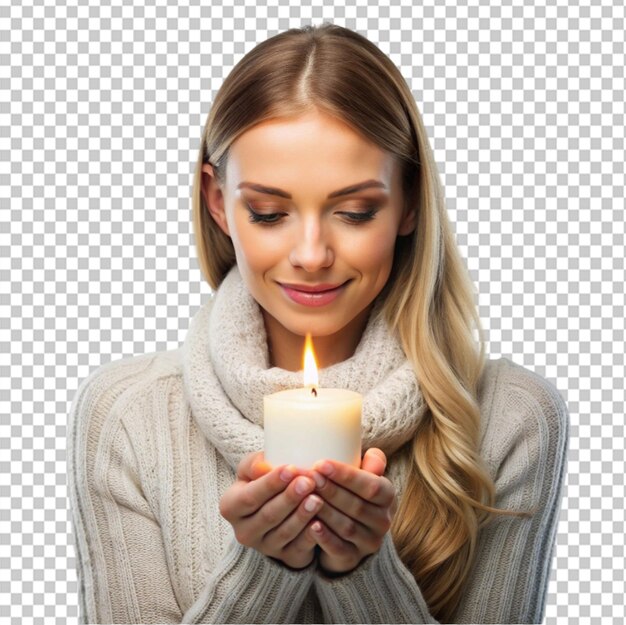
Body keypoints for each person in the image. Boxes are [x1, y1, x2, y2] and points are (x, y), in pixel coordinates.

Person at [67, 22, 569, 624]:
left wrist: (361, 574)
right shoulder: (126, 417)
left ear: (409, 202)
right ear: (219, 203)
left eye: (354, 212)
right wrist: (263, 572)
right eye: (270, 212)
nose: (311, 254)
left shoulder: (510, 420)